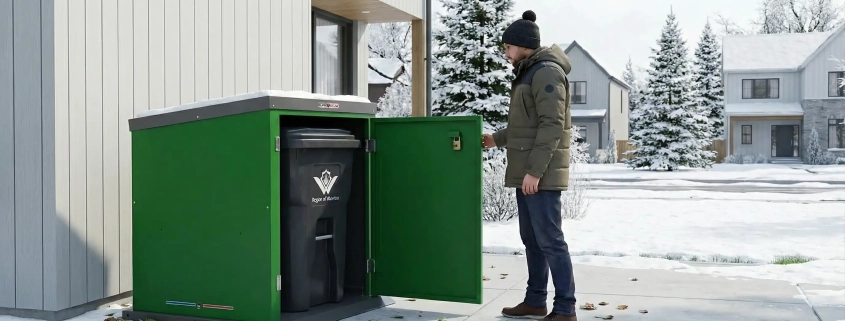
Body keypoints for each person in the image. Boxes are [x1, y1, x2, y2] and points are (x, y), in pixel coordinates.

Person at [481, 9, 577, 321]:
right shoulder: (528, 72)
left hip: (542, 174)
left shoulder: (546, 72)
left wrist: (535, 171)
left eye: (507, 47)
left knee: (550, 241)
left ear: (523, 45)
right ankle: (535, 301)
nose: (505, 53)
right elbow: (527, 126)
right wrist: (495, 139)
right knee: (532, 240)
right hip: (529, 173)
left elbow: (552, 125)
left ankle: (565, 308)